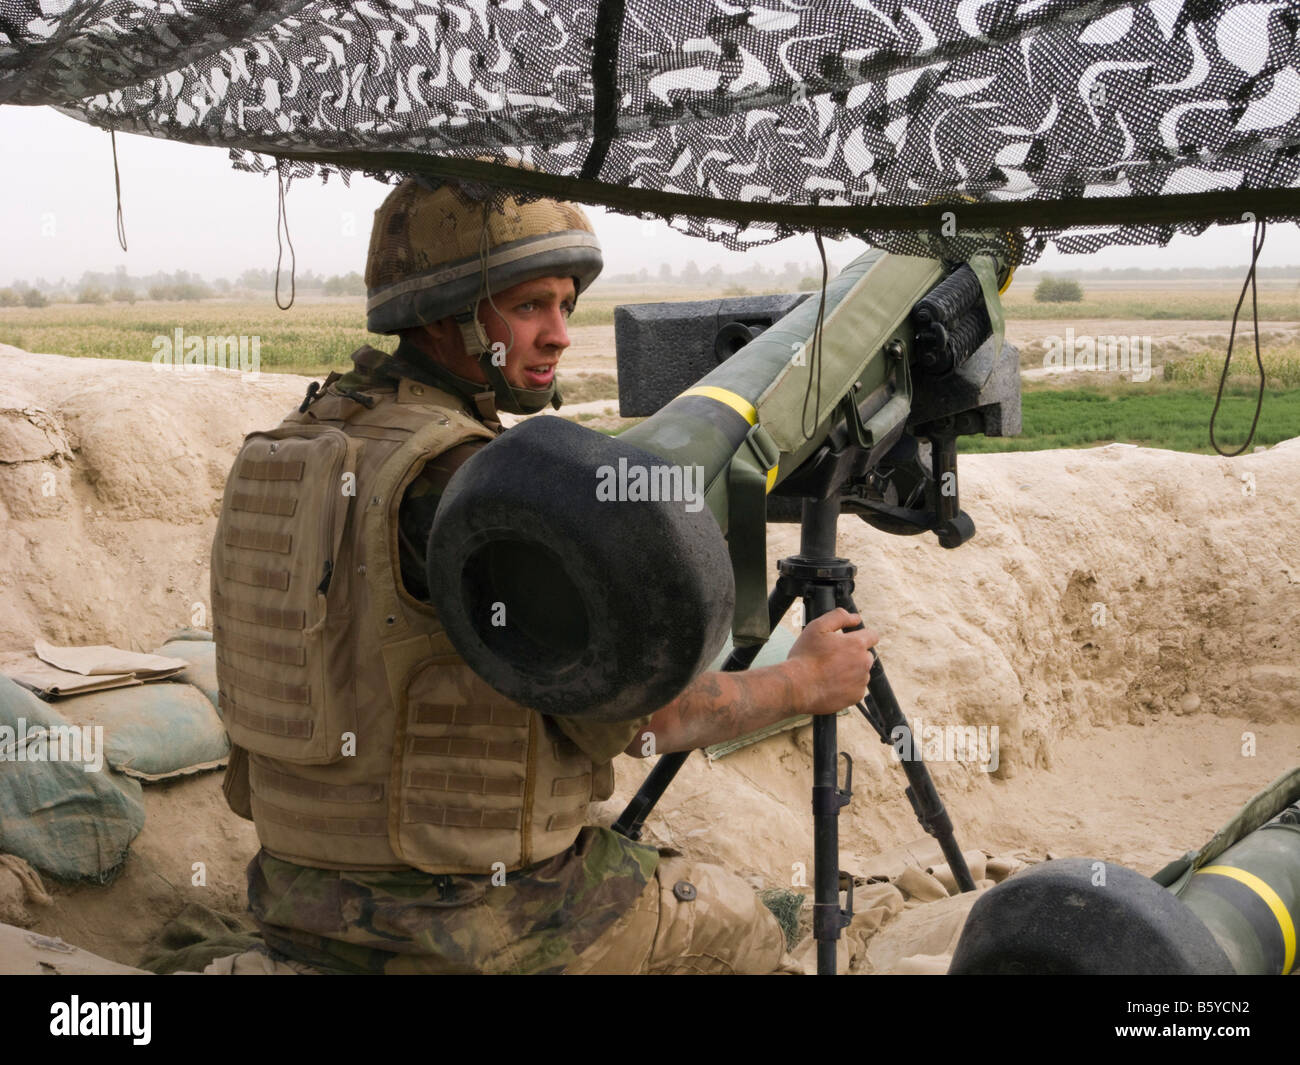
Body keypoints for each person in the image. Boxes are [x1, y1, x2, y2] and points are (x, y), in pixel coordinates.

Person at [210, 173, 879, 974]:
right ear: (449, 312)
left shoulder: (285, 453)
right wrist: (803, 682)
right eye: (529, 307)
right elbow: (642, 720)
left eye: (566, 306)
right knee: (745, 927)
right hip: (470, 923)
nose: (560, 335)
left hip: (293, 899)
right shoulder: (473, 486)